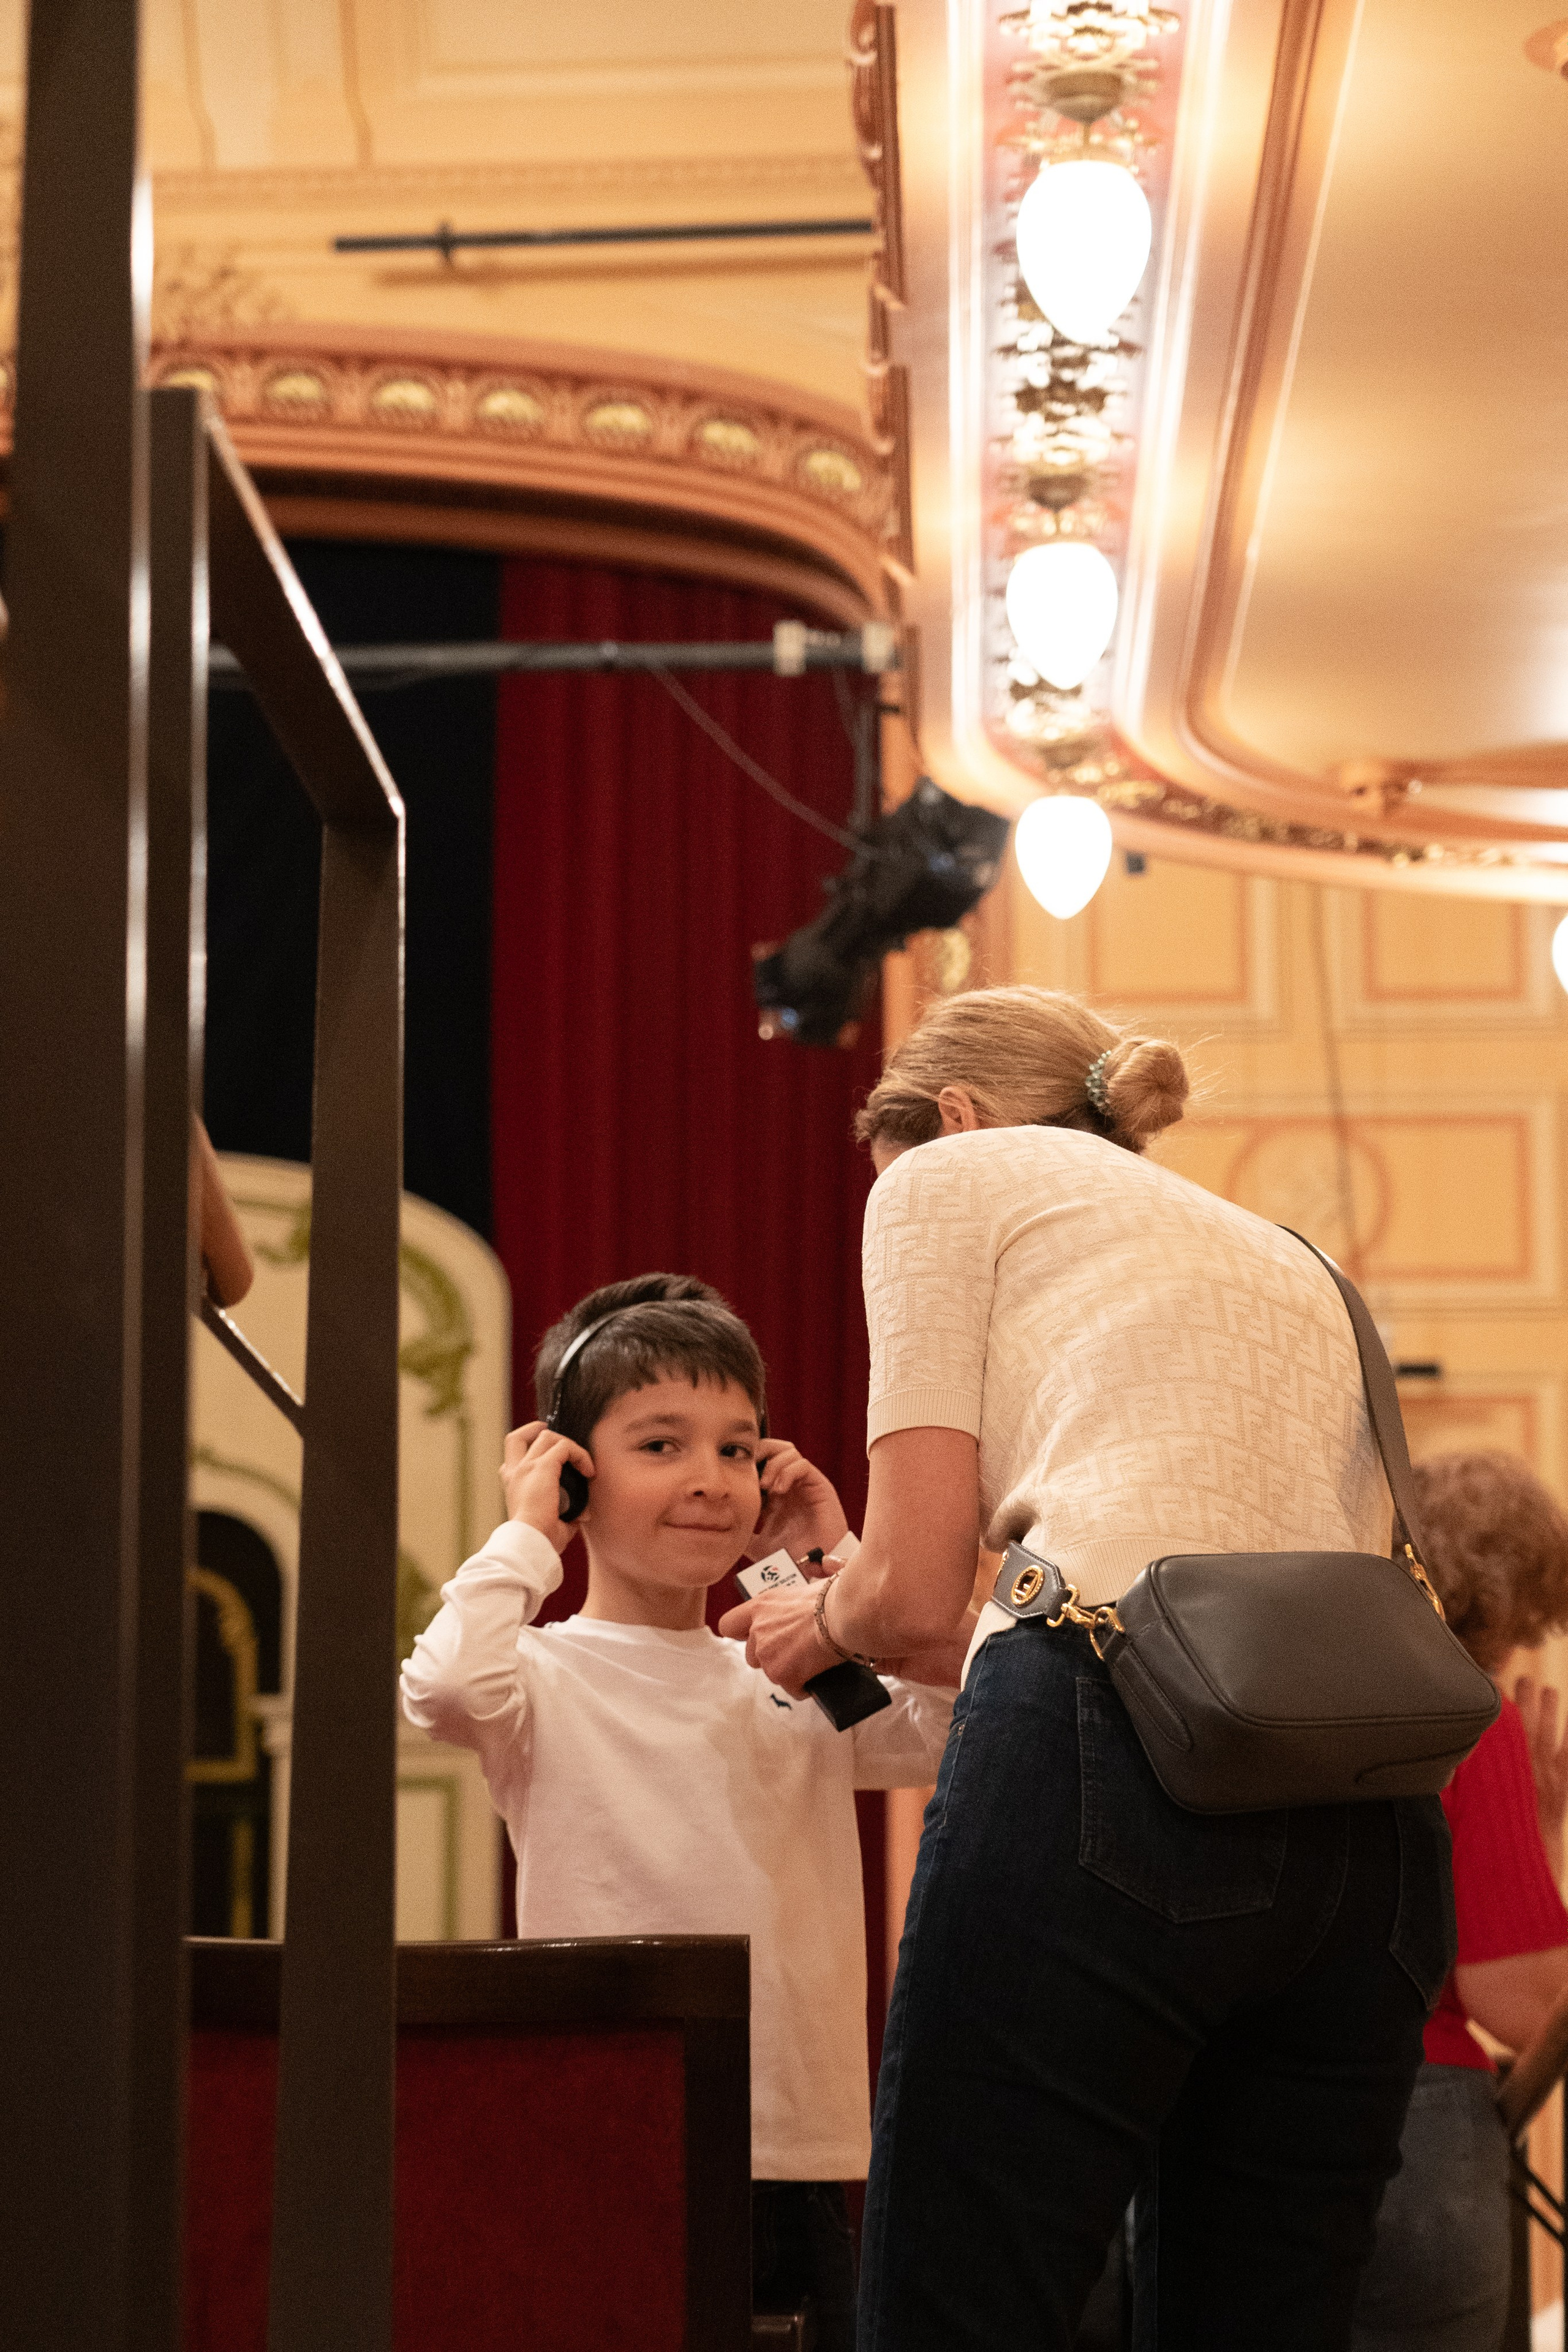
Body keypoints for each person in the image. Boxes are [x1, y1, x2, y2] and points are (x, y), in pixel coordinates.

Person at [722, 984, 1457, 2351]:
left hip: (1110, 1787)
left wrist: (819, 1622)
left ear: (948, 1115)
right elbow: (1160, 1619)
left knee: (960, 2305)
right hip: (1371, 1827)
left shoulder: (948, 1176)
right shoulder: (1289, 1253)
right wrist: (878, 1597)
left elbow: (913, 1592)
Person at [400, 1273, 963, 2352]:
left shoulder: (788, 1665)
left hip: (793, 2154)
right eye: (660, 1445)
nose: (711, 1480)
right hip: (601, 2142)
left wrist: (832, 1570)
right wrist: (527, 1538)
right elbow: (444, 1690)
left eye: (739, 1449)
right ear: (572, 1475)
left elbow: (948, 1724)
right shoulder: (540, 1674)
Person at [1351, 1450, 1568, 2352]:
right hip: (1419, 2142)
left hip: (1248, 2129)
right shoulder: (1473, 1719)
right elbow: (1514, 2002)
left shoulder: (1318, 1703)